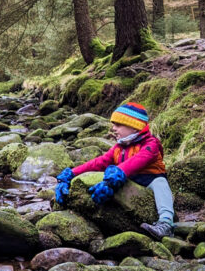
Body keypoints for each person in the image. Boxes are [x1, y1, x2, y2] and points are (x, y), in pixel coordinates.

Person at [54, 102, 175, 240]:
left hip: (150, 180)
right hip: (130, 179)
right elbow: (99, 162)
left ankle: (166, 223)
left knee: (161, 183)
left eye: (118, 125)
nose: (113, 128)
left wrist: (116, 175)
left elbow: (139, 160)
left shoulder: (151, 144)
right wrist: (71, 173)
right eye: (114, 124)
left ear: (135, 127)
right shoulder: (119, 147)